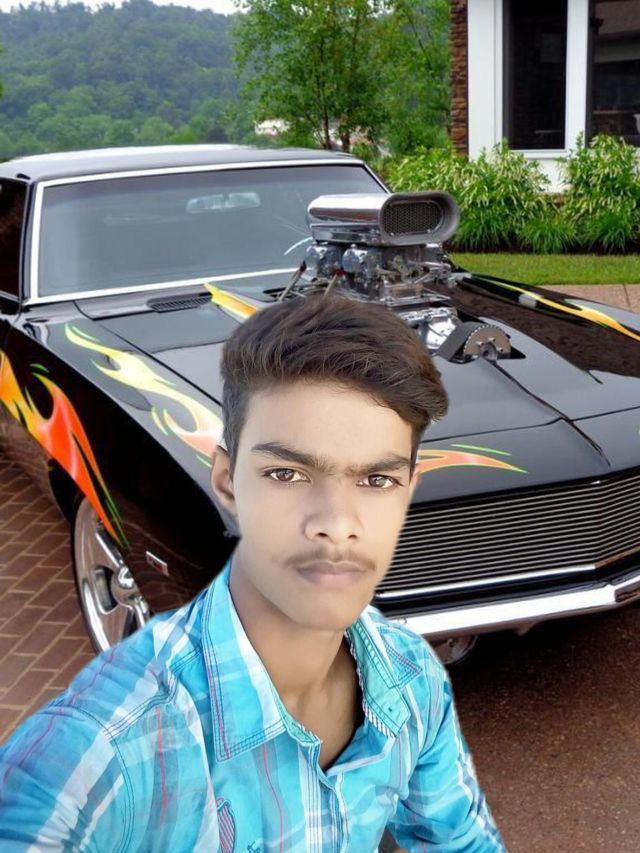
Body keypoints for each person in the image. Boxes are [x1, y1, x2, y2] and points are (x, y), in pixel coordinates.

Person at [0, 294, 504, 851]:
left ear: (408, 490)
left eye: (376, 480)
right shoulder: (96, 752)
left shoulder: (412, 676)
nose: (337, 524)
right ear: (226, 480)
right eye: (287, 473)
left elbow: (459, 840)